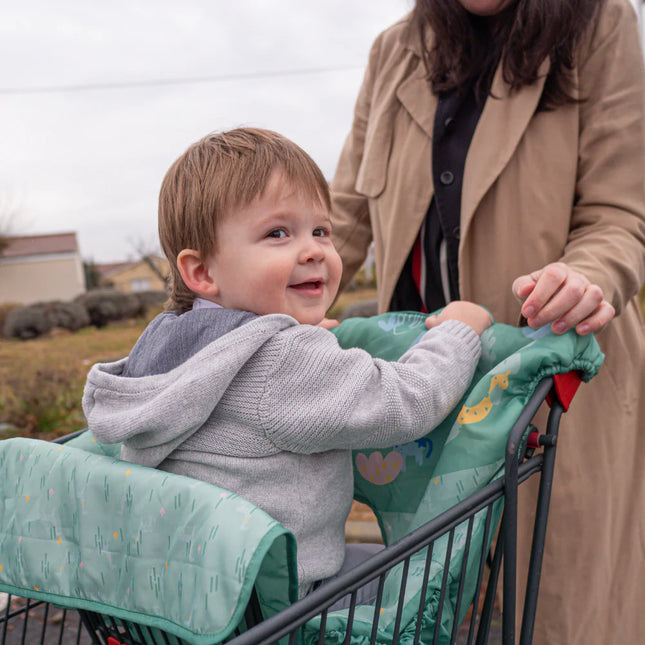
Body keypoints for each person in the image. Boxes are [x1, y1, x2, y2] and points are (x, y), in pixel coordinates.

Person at [329, 0, 645, 642]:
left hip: (554, 391)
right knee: (428, 617)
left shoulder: (599, 21)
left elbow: (618, 213)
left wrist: (586, 276)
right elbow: (343, 216)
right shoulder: (394, 49)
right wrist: (241, 303)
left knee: (558, 614)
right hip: (427, 398)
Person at [82, 127, 493, 600]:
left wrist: (292, 337)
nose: (314, 249)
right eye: (278, 233)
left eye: (320, 230)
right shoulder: (286, 362)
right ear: (202, 272)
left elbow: (250, 395)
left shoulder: (164, 343)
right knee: (416, 593)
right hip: (283, 599)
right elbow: (407, 400)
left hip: (187, 595)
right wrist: (458, 330)